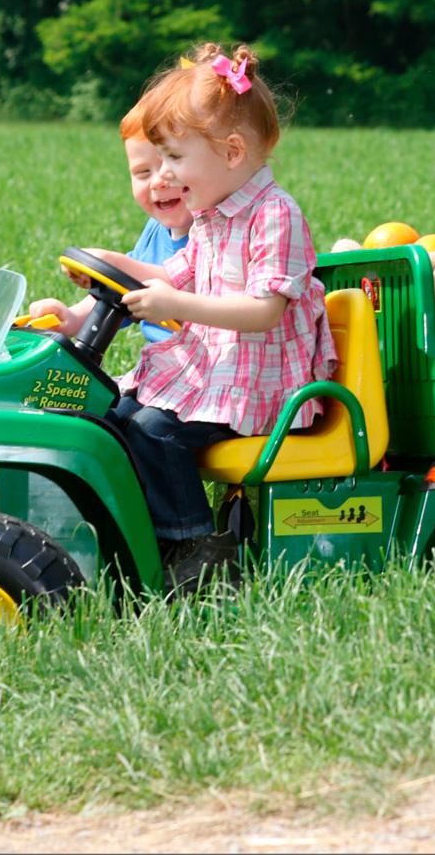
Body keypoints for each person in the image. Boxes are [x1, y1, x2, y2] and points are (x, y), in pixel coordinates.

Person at [81, 42, 337, 595]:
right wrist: (108, 266)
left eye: (175, 159)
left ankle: (198, 549)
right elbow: (173, 272)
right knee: (113, 416)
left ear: (231, 151)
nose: (166, 176)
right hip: (213, 371)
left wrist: (176, 307)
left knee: (155, 431)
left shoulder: (275, 215)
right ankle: (139, 534)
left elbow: (266, 312)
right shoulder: (212, 216)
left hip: (258, 381)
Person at [28, 101, 192, 342]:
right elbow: (122, 292)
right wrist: (72, 318)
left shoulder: (218, 233)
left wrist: (114, 263)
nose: (158, 181)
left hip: (208, 368)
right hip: (161, 364)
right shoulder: (156, 230)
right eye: (143, 173)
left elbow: (186, 284)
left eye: (172, 164)